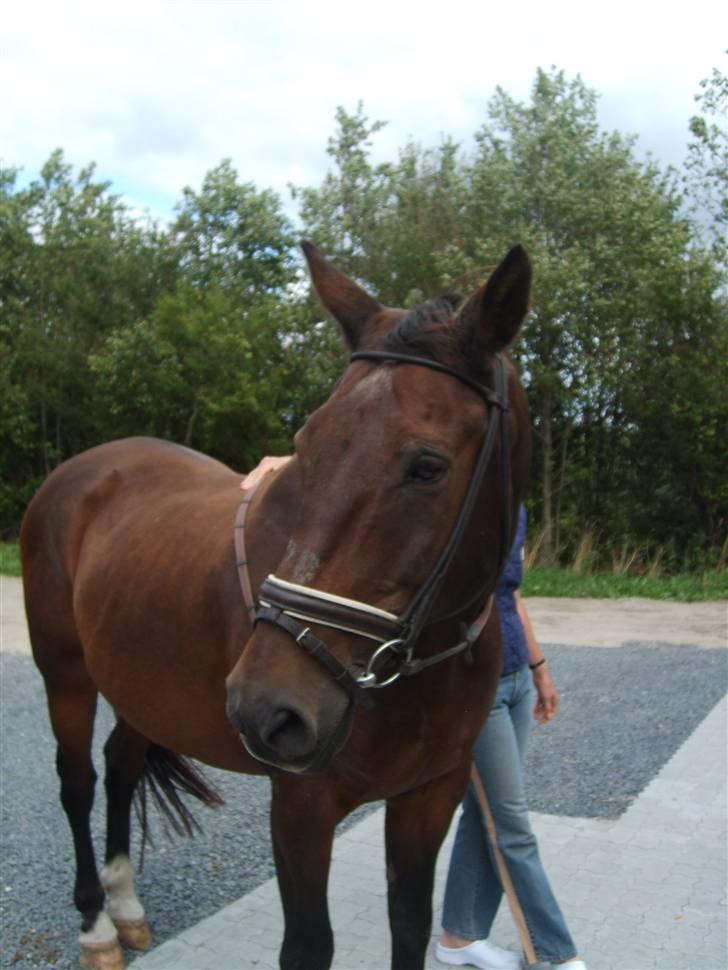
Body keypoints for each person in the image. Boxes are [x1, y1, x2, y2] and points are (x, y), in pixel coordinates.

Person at [436, 505, 587, 970]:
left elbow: (512, 597)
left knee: (484, 813)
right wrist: (285, 462)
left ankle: (458, 936)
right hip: (474, 690)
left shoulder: (512, 509)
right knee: (511, 828)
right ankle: (555, 955)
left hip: (517, 679)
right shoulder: (442, 501)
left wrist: (539, 670)